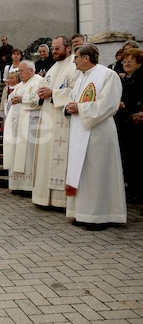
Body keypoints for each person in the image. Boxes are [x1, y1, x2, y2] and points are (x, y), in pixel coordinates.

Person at [64, 43, 126, 230]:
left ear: (86, 58)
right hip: (80, 131)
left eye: (76, 57)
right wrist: (69, 107)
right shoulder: (81, 77)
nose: (73, 61)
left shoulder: (108, 75)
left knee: (97, 173)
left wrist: (80, 108)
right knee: (82, 173)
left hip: (99, 133)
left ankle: (99, 216)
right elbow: (74, 98)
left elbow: (109, 104)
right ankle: (82, 213)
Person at [32, 35, 77, 208]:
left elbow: (76, 92)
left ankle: (60, 200)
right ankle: (44, 198)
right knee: (45, 159)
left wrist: (53, 94)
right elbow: (43, 86)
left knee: (60, 158)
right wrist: (40, 93)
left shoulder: (75, 66)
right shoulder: (53, 67)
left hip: (62, 120)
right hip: (48, 120)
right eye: (53, 48)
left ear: (68, 48)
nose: (54, 51)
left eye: (57, 48)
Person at [7, 61, 42, 194]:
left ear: (31, 71)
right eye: (18, 71)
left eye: (21, 71)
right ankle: (17, 185)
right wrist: (12, 101)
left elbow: (39, 99)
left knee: (28, 154)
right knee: (17, 152)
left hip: (30, 125)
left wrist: (22, 99)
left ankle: (28, 186)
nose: (19, 74)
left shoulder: (39, 81)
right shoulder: (20, 85)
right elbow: (10, 99)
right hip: (17, 124)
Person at [115, 48, 143, 204]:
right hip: (128, 121)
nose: (125, 64)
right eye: (124, 61)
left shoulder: (140, 77)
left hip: (138, 123)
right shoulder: (128, 78)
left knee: (137, 159)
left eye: (129, 61)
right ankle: (134, 191)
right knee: (130, 158)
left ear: (138, 62)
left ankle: (138, 192)